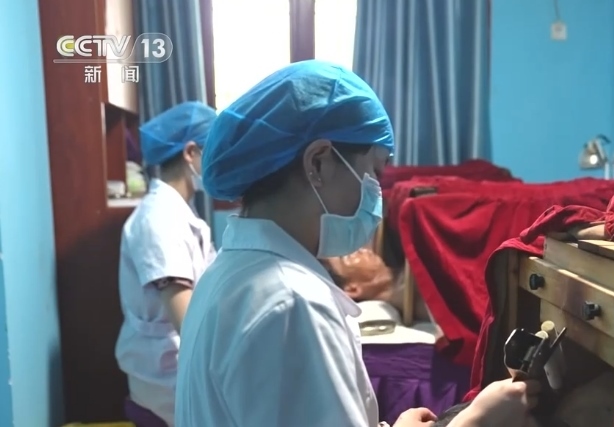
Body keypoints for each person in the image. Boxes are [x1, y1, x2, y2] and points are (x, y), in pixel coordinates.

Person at [173, 60, 539, 427]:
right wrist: (476, 421)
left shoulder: (227, 272)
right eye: (374, 173)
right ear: (318, 163)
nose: (377, 194)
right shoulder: (293, 304)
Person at [115, 101, 218, 426]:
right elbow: (187, 321)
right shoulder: (159, 219)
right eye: (215, 151)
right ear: (191, 153)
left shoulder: (182, 214)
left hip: (175, 367)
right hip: (165, 379)